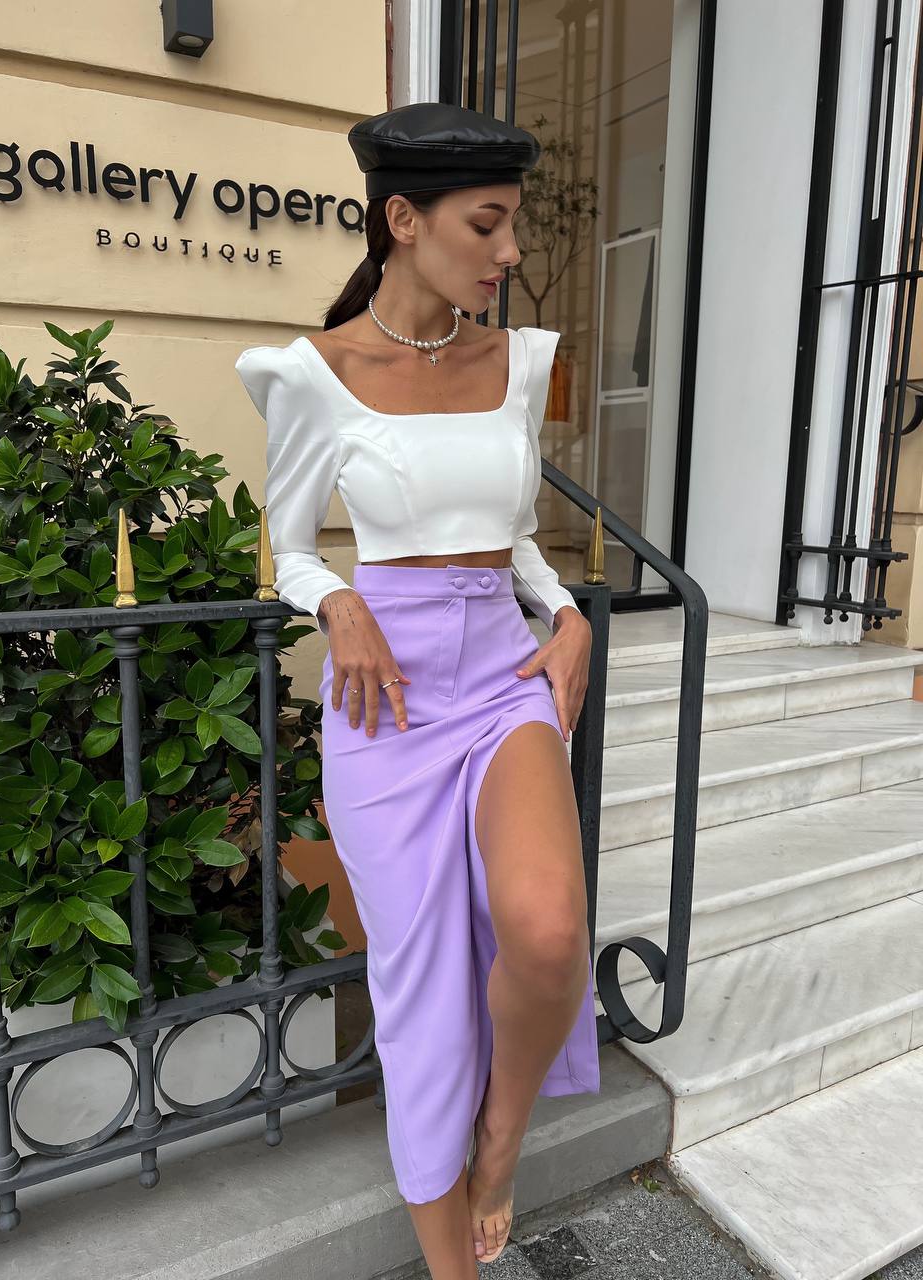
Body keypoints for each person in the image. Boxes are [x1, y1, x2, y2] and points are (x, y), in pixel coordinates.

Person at [235, 101, 601, 1277]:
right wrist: (337, 602)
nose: (509, 251)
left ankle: (500, 1139)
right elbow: (291, 547)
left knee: (549, 931)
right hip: (386, 704)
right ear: (404, 219)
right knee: (423, 993)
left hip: (499, 677)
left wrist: (568, 613)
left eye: (512, 225)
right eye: (487, 225)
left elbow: (513, 532)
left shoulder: (519, 362)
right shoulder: (316, 374)